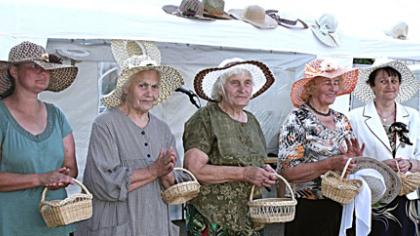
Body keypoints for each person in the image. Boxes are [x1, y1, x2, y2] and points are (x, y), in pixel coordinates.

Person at [76, 54, 184, 236]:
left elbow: (176, 188)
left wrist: (167, 175)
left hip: (155, 225)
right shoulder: (105, 124)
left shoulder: (162, 129)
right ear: (125, 88)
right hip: (116, 227)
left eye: (154, 87)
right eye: (142, 86)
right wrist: (153, 171)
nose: (150, 93)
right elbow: (103, 183)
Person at [183, 58, 277, 235]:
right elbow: (194, 170)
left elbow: (254, 161)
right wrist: (244, 173)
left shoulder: (252, 121)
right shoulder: (205, 118)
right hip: (213, 220)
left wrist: (265, 171)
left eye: (247, 83)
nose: (243, 89)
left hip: (251, 219)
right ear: (221, 88)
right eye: (235, 83)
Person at [277, 59, 364, 236]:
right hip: (307, 208)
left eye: (336, 83)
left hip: (341, 203)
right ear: (311, 87)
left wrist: (352, 160)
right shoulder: (297, 119)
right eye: (327, 82)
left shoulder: (341, 120)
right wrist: (329, 164)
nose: (333, 88)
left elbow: (346, 163)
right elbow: (288, 173)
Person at [0, 41, 79, 235]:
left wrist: (62, 177)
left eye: (46, 68)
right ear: (13, 71)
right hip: (12, 225)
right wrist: (41, 178)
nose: (42, 72)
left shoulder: (56, 115)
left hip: (55, 224)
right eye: (34, 66)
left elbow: (72, 168)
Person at [349, 60, 420, 236]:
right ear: (371, 86)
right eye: (383, 81)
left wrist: (410, 164)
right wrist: (379, 165)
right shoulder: (354, 118)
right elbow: (348, 161)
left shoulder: (413, 116)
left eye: (394, 81)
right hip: (373, 195)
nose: (390, 85)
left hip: (406, 195)